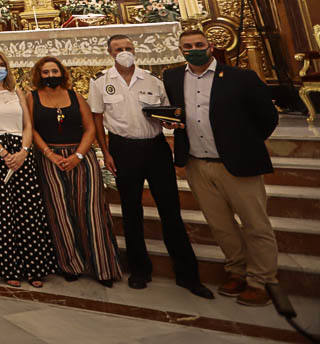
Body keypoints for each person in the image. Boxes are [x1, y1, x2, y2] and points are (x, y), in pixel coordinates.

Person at [164, 30, 279, 305]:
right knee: (221, 225)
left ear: (210, 46)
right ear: (181, 50)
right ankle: (237, 271)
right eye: (188, 46)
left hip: (237, 163)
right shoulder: (172, 78)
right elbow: (174, 113)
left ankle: (261, 280)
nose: (194, 50)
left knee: (255, 224)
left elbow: (267, 117)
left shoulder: (241, 77)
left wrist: (244, 143)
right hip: (197, 163)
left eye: (199, 45)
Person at [90, 34, 211, 297]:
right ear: (110, 53)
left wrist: (170, 123)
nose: (125, 52)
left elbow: (168, 114)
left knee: (170, 210)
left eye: (129, 48)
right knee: (131, 211)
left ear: (136, 50)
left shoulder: (154, 80)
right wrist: (106, 151)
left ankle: (187, 274)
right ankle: (139, 270)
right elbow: (97, 119)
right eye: (119, 49)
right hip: (123, 149)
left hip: (155, 148)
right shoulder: (100, 82)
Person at [27, 56, 121, 285]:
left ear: (62, 73)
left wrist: (78, 155)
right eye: (46, 72)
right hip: (50, 158)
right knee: (59, 212)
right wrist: (50, 154)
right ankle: (71, 264)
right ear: (39, 75)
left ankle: (103, 267)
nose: (51, 76)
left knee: (91, 210)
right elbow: (30, 129)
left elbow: (90, 128)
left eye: (54, 71)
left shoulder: (75, 96)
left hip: (81, 157)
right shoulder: (31, 97)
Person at [0, 50, 56, 288]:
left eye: (1, 64)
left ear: (7, 68)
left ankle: (35, 267)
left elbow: (28, 125)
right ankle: (10, 268)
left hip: (21, 150)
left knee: (29, 209)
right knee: (2, 212)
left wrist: (24, 152)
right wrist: (4, 154)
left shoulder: (17, 91)